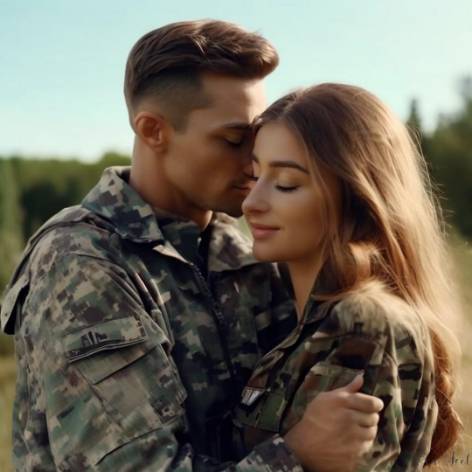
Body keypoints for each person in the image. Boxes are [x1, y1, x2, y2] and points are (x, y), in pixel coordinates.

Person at [0, 21, 383, 471]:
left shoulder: (243, 249)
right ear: (153, 130)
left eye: (257, 140)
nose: (254, 164)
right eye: (234, 140)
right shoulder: (82, 262)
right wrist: (297, 456)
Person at [233, 83, 463, 471]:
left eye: (286, 183)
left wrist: (290, 453)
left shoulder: (363, 322)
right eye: (254, 176)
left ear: (356, 194)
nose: (251, 203)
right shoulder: (297, 315)